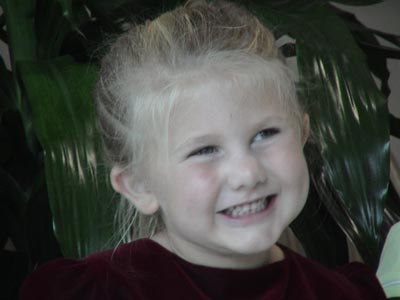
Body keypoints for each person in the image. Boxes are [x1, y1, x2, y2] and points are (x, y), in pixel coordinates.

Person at [20, 0, 387, 299]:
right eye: (204, 150)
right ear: (140, 186)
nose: (247, 174)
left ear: (303, 130)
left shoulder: (341, 293)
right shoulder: (87, 293)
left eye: (265, 134)